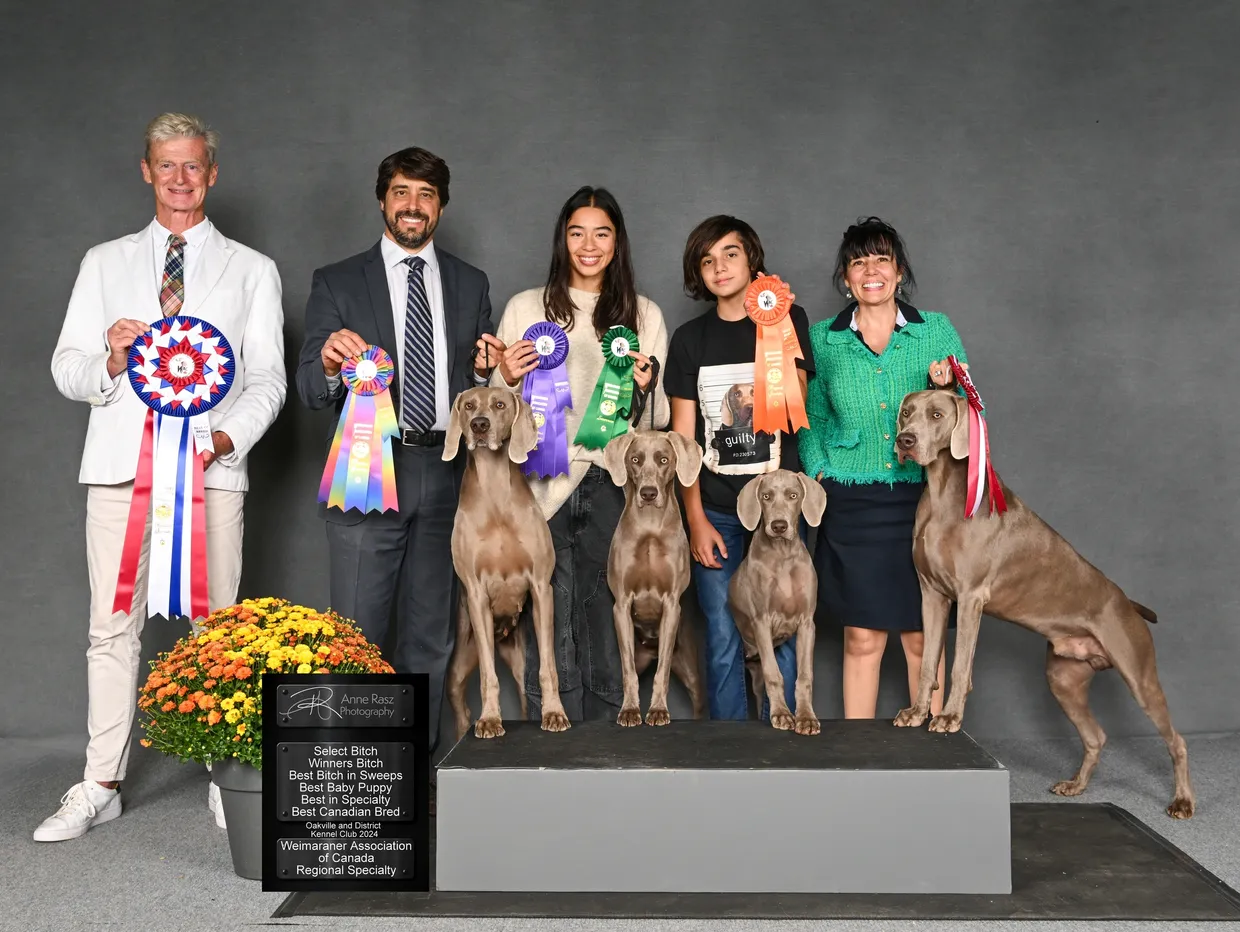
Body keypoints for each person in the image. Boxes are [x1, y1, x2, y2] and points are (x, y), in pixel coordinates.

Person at [42, 112, 287, 841]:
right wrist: (112, 360)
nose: (181, 178)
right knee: (111, 627)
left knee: (218, 630)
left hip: (211, 473)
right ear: (147, 171)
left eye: (193, 165)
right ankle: (100, 783)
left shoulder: (253, 269)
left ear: (212, 173)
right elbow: (66, 369)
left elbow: (268, 379)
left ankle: (226, 777)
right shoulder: (103, 262)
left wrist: (223, 439)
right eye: (167, 165)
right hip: (121, 472)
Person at [295, 146, 496, 777]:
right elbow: (308, 388)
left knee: (430, 636)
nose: (413, 205)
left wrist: (486, 373)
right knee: (357, 634)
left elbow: (474, 385)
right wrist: (331, 365)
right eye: (402, 192)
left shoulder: (470, 282)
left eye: (426, 195)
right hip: (367, 470)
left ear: (441, 207)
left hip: (445, 472)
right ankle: (357, 781)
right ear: (383, 199)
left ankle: (411, 773)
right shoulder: (337, 281)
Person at [488, 186, 670, 722]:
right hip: (540, 481)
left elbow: (655, 422)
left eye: (601, 233)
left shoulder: (644, 315)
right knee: (550, 611)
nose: (589, 246)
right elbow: (501, 411)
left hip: (612, 480)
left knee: (606, 612)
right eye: (577, 233)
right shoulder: (525, 308)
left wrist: (646, 389)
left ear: (617, 242)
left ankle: (609, 739)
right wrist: (504, 376)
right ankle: (553, 732)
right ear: (562, 239)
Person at [798, 216, 967, 719]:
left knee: (923, 636)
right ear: (846, 277)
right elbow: (809, 417)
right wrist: (820, 471)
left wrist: (946, 386)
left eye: (881, 260)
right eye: (858, 262)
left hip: (926, 500)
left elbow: (964, 414)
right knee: (862, 638)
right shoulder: (822, 339)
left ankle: (935, 750)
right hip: (851, 503)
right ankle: (860, 754)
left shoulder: (935, 330)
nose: (870, 271)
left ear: (899, 271)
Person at [663, 215, 813, 720]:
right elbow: (684, 441)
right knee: (724, 633)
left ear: (752, 259)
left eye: (730, 254)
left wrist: (776, 327)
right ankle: (730, 745)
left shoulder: (789, 319)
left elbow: (797, 409)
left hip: (779, 510)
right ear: (698, 272)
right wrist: (695, 518)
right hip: (718, 510)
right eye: (707, 260)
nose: (720, 267)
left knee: (784, 628)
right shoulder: (689, 339)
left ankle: (785, 739)